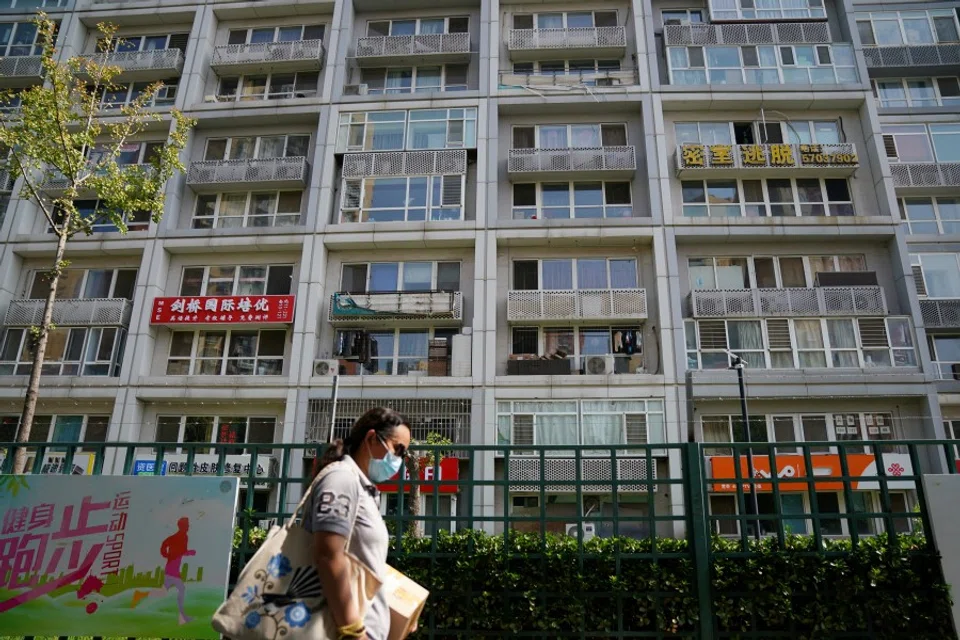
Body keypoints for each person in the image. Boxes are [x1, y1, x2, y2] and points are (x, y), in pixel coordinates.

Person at [304, 407, 412, 640]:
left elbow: (359, 559)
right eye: (397, 449)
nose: (399, 460)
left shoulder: (363, 487)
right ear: (371, 438)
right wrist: (352, 631)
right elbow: (328, 554)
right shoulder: (342, 479)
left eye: (404, 454)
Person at [133, 516, 196, 625]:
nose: (188, 527)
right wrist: (166, 554)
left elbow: (179, 550)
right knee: (181, 589)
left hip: (173, 568)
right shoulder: (177, 537)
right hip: (172, 568)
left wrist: (171, 554)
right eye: (186, 525)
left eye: (188, 525)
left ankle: (140, 595)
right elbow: (172, 548)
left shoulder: (184, 537)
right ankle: (182, 617)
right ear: (181, 526)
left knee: (164, 592)